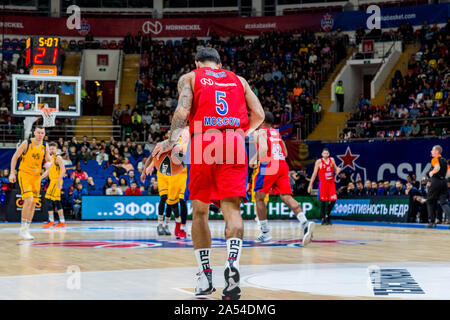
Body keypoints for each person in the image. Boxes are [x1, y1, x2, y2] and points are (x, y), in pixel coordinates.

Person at [151, 47, 264, 300]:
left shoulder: (190, 78)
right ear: (220, 64)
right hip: (234, 140)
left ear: (196, 62)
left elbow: (182, 112)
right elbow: (260, 115)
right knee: (232, 211)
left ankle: (204, 276)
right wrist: (240, 135)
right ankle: (232, 263)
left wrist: (170, 141)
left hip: (204, 139)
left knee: (200, 211)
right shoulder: (239, 80)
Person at [252, 111, 315, 243]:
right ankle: (304, 223)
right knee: (286, 196)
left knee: (259, 197)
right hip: (282, 165)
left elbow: (263, 149)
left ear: (262, 121)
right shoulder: (277, 133)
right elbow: (285, 153)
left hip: (269, 164)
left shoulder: (260, 132)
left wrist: (253, 158)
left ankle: (265, 233)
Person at [9, 125, 51, 240]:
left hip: (36, 177)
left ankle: (26, 229)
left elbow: (48, 162)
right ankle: (22, 229)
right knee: (29, 200)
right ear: (34, 133)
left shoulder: (44, 145)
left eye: (42, 133)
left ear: (44, 134)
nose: (40, 135)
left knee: (33, 204)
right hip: (25, 174)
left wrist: (48, 166)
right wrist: (12, 173)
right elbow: (15, 157)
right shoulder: (27, 143)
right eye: (38, 133)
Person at [308, 148, 341, 225]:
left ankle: (327, 215)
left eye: (327, 153)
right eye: (324, 153)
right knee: (323, 201)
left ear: (328, 154)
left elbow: (336, 170)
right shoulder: (319, 162)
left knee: (333, 200)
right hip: (323, 183)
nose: (326, 154)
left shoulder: (332, 160)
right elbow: (314, 174)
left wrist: (338, 170)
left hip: (331, 183)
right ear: (322, 154)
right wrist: (310, 184)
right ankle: (323, 218)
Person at [41, 142, 67, 228]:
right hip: (52, 181)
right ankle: (60, 220)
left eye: (53, 148)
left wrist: (59, 181)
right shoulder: (51, 158)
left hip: (56, 181)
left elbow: (63, 170)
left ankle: (53, 220)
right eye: (50, 149)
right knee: (55, 201)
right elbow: (48, 171)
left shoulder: (58, 157)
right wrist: (40, 178)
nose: (51, 150)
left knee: (49, 199)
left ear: (56, 149)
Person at [425, 145, 450, 228]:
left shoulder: (435, 159)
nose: (431, 151)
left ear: (437, 152)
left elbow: (437, 168)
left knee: (430, 201)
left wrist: (431, 173)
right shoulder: (445, 160)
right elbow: (448, 173)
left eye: (432, 150)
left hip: (435, 181)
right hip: (444, 182)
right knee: (443, 202)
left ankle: (431, 222)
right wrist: (444, 179)